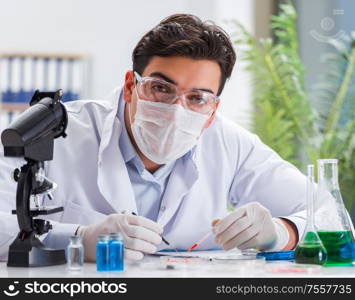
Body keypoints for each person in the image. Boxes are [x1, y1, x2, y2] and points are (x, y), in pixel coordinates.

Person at [0, 14, 308, 262]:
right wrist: (79, 237)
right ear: (131, 86)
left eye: (197, 98)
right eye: (160, 88)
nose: (177, 109)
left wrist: (282, 233)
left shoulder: (231, 144)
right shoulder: (57, 131)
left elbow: (328, 214)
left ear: (213, 110)